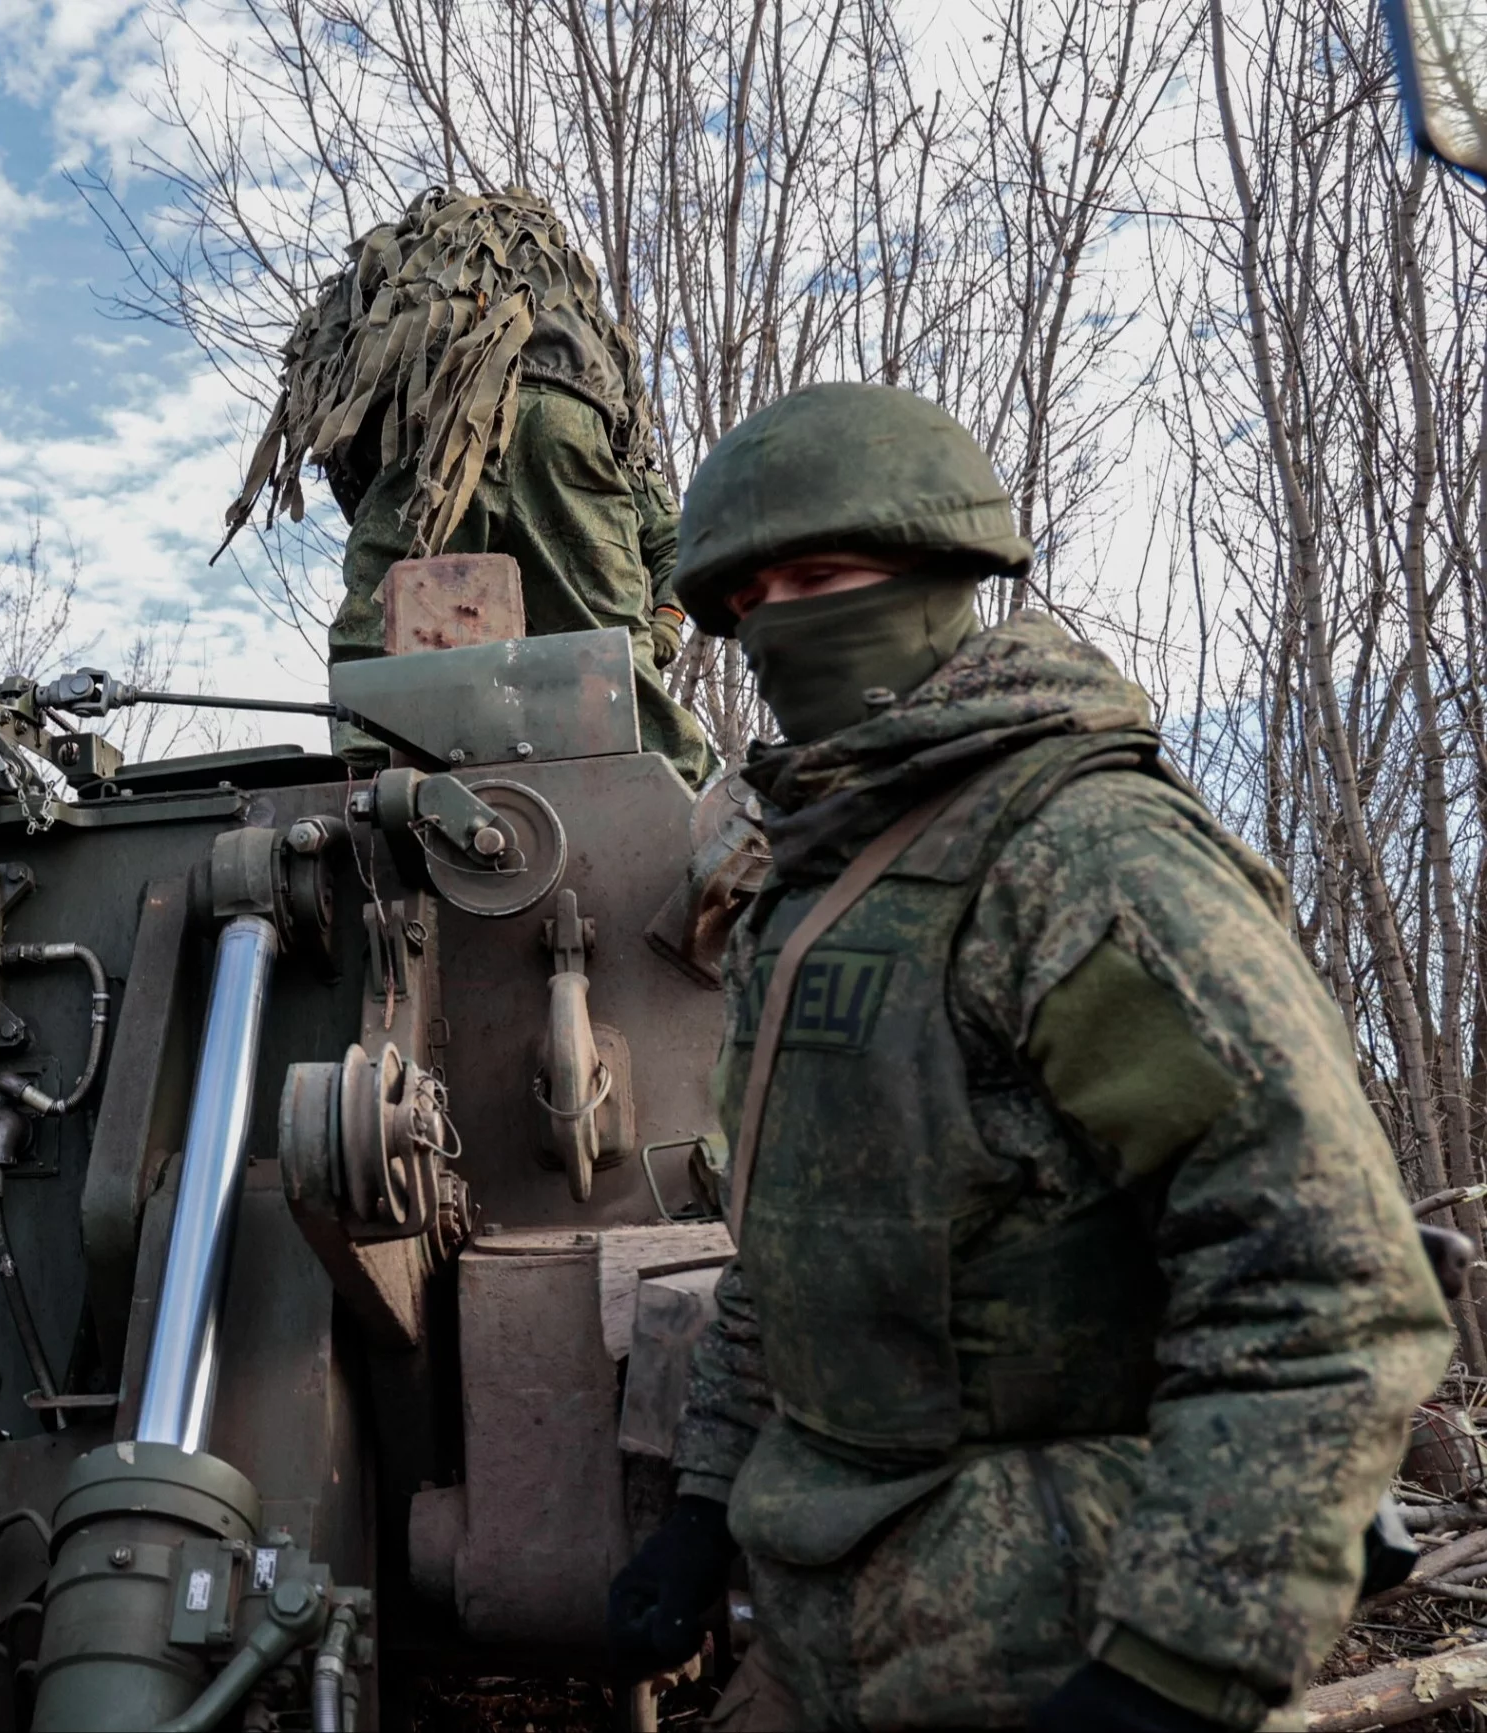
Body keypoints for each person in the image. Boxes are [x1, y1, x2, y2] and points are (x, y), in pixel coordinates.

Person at [605, 381, 1452, 1731]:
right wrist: (704, 1501)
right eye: (744, 597)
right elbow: (791, 1253)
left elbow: (1328, 1289)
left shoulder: (1081, 855)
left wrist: (1174, 1667)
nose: (775, 623)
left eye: (820, 575)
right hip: (832, 1611)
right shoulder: (802, 894)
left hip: (1057, 1623)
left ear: (943, 573)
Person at [221, 186, 710, 784]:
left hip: (431, 419)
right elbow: (673, 534)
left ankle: (370, 786)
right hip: (567, 419)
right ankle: (683, 802)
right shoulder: (590, 336)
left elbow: (346, 452)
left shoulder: (409, 302)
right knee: (609, 650)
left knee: (384, 624)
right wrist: (661, 623)